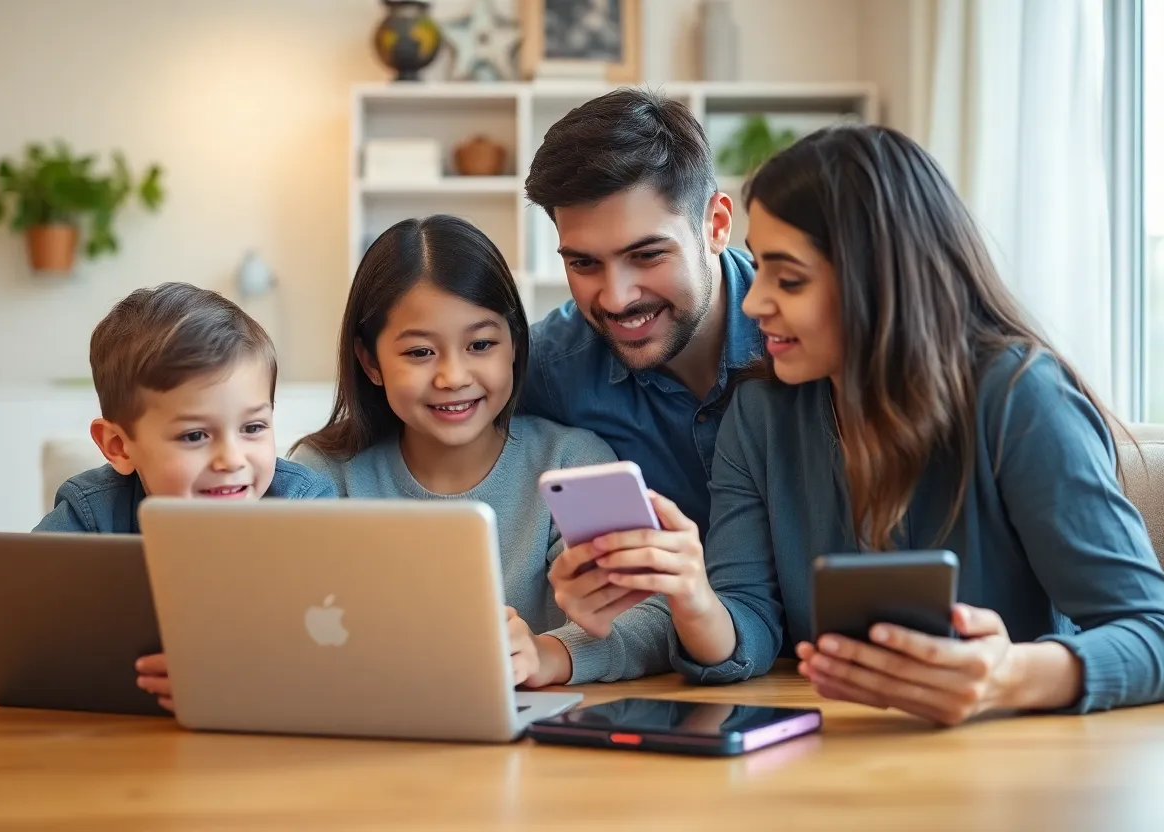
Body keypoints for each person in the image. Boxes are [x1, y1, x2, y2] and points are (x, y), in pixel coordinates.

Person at [588, 123, 1164, 724]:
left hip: (1014, 764)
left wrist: (1008, 676)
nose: (754, 303)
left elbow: (1150, 629)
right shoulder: (760, 413)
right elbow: (749, 622)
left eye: (790, 278)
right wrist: (691, 594)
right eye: (758, 271)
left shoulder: (1019, 397)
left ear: (879, 277)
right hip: (835, 754)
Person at [291, 215, 672, 687]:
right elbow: (264, 611)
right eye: (419, 353)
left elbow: (655, 614)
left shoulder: (572, 462)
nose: (453, 376)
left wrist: (547, 654)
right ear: (370, 362)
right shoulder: (322, 475)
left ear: (513, 343)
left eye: (480, 344)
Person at [0, 282, 337, 707]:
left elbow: (355, 635)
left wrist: (252, 668)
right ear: (118, 446)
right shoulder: (93, 511)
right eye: (194, 435)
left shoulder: (303, 501)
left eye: (253, 428)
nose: (231, 459)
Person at [522, 87, 760, 640]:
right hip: (661, 672)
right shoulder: (552, 367)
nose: (616, 298)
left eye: (647, 254)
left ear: (716, 225)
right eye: (583, 263)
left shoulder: (799, 340)